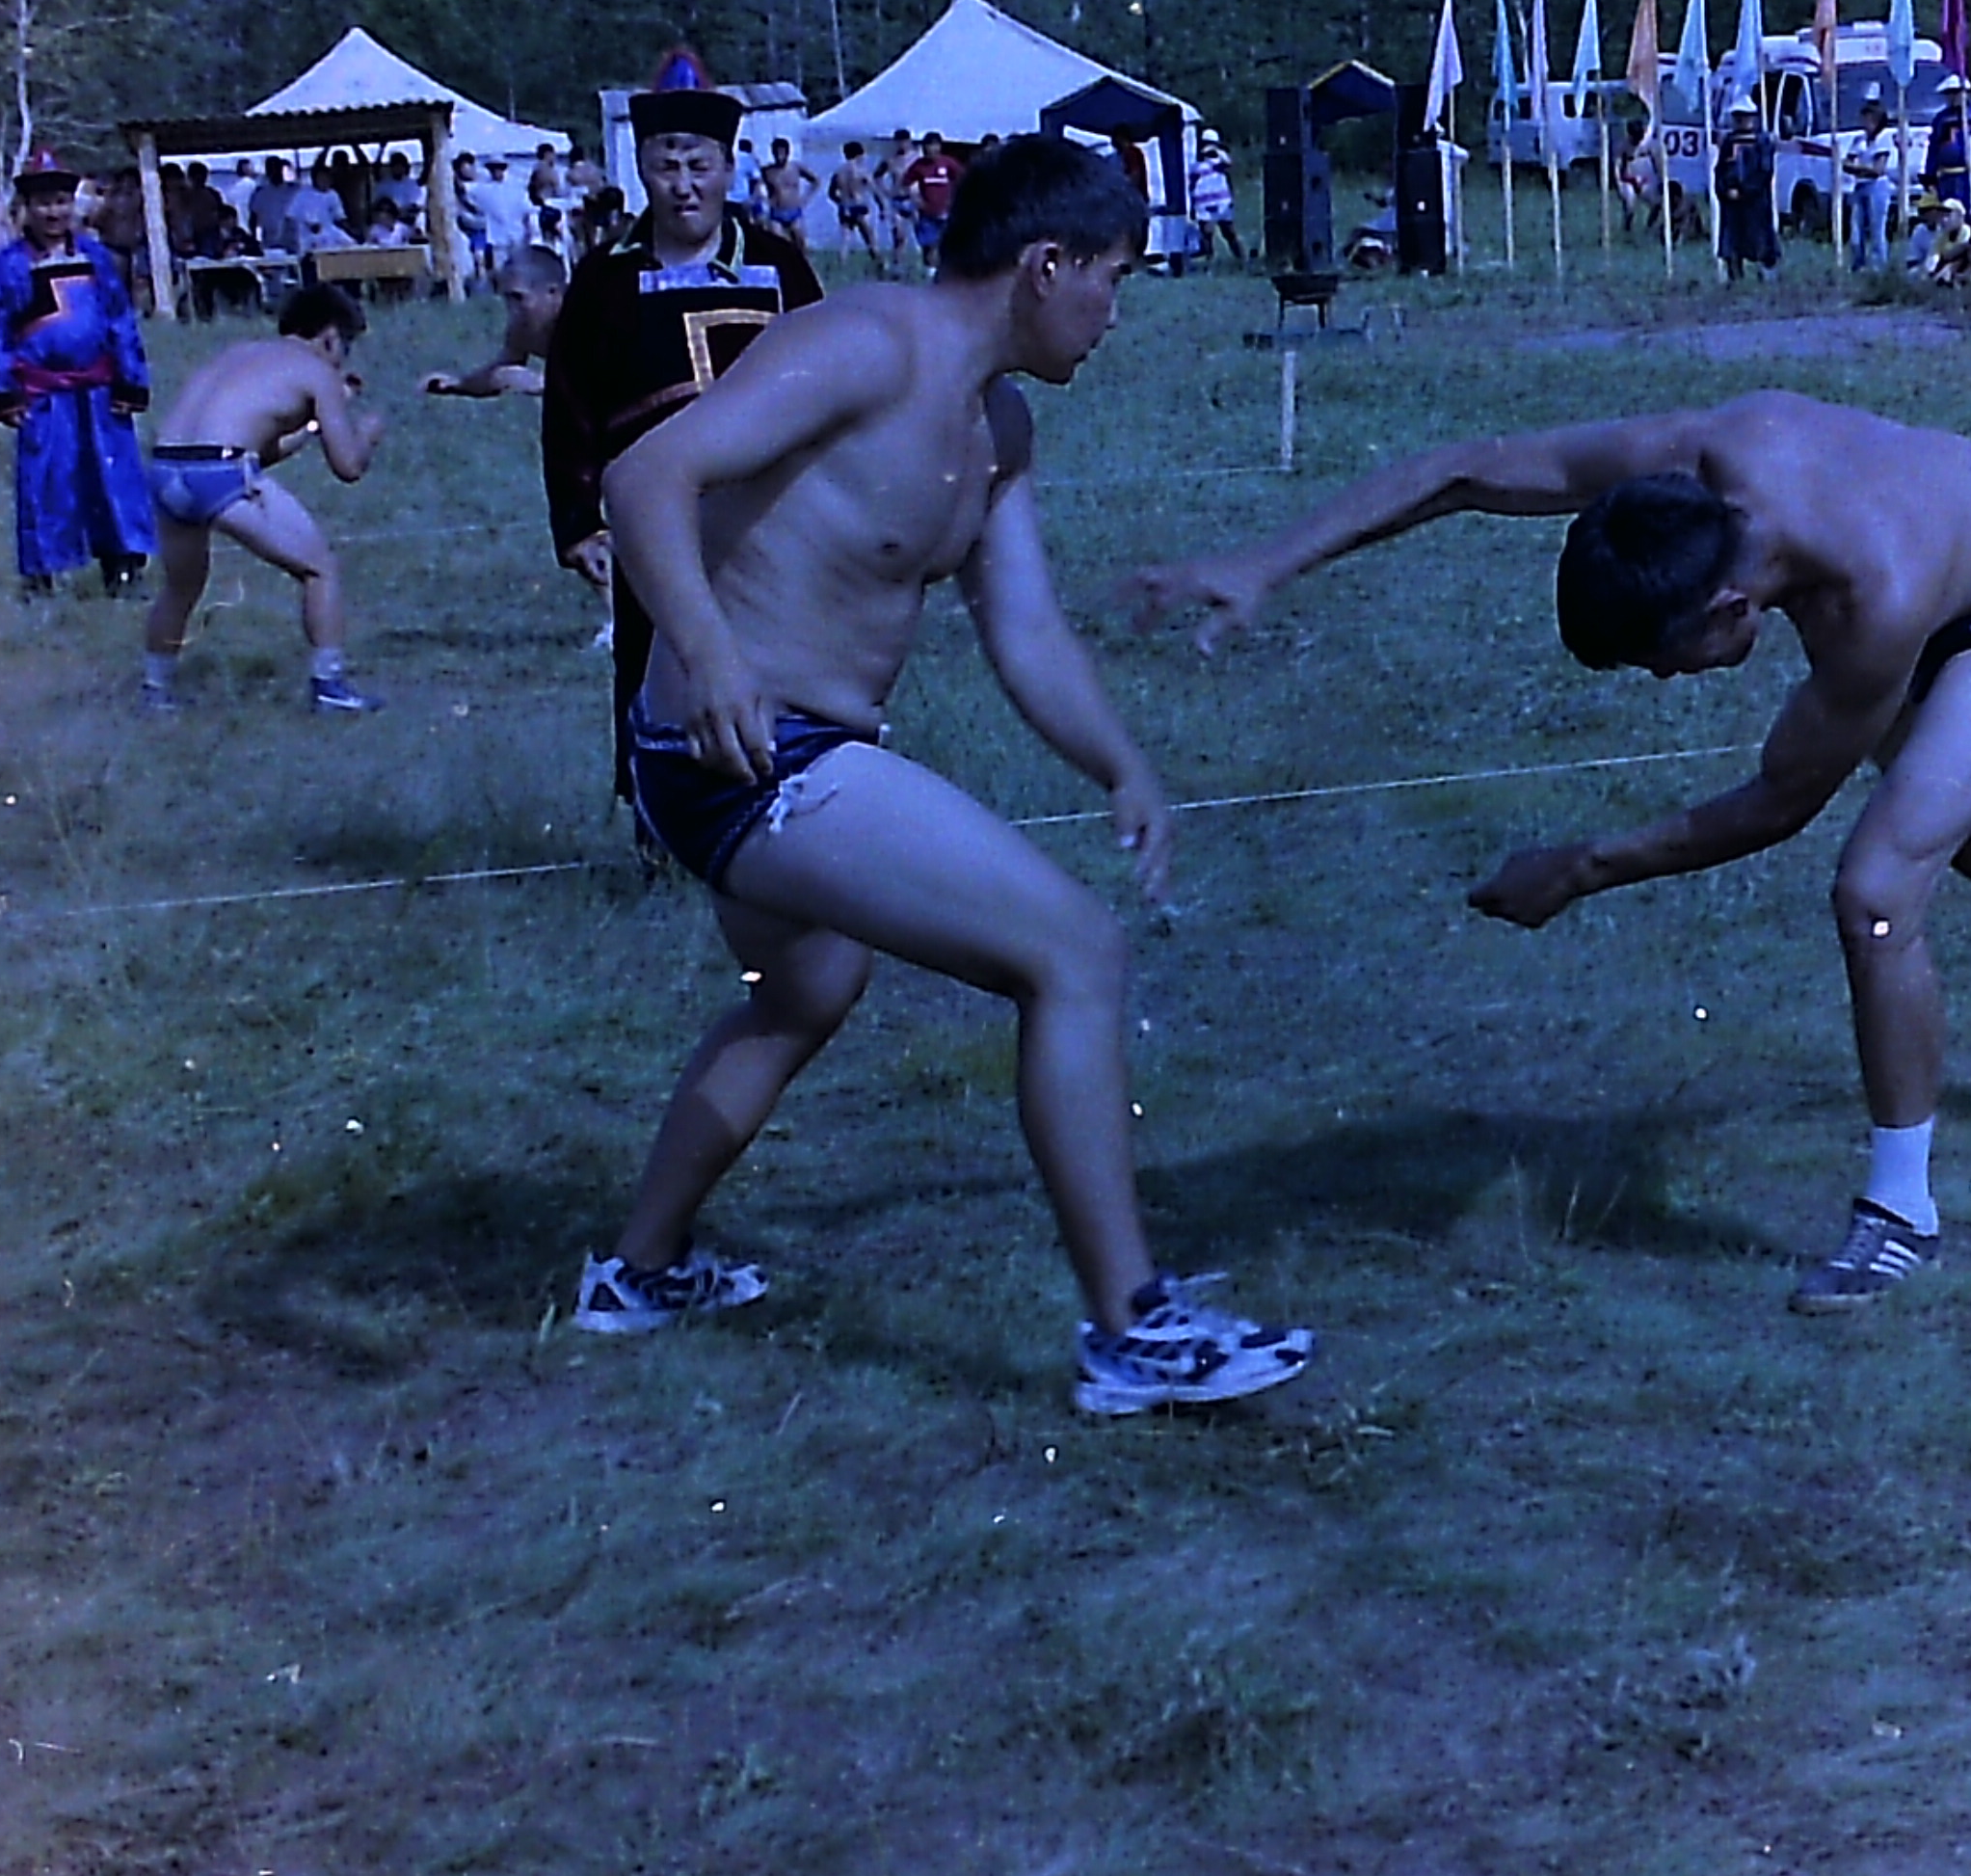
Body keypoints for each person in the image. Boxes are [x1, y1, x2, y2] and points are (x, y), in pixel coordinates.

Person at [581, 135, 1315, 1412]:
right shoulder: (867, 341)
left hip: (787, 753)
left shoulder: (997, 428)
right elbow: (645, 473)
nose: (1115, 312)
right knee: (1074, 951)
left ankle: (637, 1272)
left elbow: (1023, 628)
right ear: (1046, 266)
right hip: (749, 753)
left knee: (804, 992)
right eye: (1113, 278)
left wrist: (1121, 764)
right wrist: (708, 653)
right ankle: (1133, 1329)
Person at [1128, 389, 1971, 1313]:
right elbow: (1466, 470)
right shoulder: (1699, 462)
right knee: (1926, 789)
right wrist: (1266, 563)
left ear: (1728, 610)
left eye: (1661, 661)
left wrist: (1582, 867)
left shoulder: (1871, 599)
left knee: (1877, 893)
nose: (1661, 682)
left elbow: (1777, 805)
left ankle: (1901, 1214)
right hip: (1924, 552)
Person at [540, 84, 826, 819]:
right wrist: (579, 520)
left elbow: (830, 377)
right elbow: (569, 400)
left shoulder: (778, 264)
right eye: (667, 168)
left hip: (771, 512)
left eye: (699, 166)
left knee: (780, 656)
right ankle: (659, 825)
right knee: (655, 665)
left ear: (728, 168)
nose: (684, 185)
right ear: (642, 170)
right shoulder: (604, 277)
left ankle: (787, 813)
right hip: (654, 519)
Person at [140, 284, 385, 715]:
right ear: (330, 337)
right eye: (345, 346)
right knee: (320, 569)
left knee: (181, 587)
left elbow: (258, 449)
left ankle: (155, 691)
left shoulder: (240, 354)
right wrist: (367, 432)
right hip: (220, 473)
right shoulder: (317, 372)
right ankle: (330, 685)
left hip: (167, 470)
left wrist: (311, 426)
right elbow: (348, 467)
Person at [0, 147, 156, 596]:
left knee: (112, 476)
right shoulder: (11, 264)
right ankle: (42, 574)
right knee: (46, 479)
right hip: (42, 393)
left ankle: (123, 565)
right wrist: (2, 390)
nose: (53, 212)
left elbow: (119, 319)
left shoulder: (96, 257)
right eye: (43, 203)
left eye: (61, 201)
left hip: (100, 391)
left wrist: (131, 378)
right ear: (27, 207)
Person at [421, 244, 566, 396]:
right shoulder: (522, 327)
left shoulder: (581, 319)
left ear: (552, 293)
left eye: (518, 297)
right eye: (507, 298)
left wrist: (540, 383)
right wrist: (459, 384)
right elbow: (501, 371)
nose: (512, 308)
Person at [1713, 112, 1780, 281]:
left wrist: (1745, 190)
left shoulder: (1762, 141)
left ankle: (1767, 274)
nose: (1743, 121)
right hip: (1732, 204)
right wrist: (1726, 189)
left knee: (1761, 240)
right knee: (1732, 240)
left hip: (1756, 202)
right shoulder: (1729, 141)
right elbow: (1721, 169)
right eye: (1739, 118)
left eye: (1746, 117)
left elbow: (1765, 171)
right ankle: (1735, 275)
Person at [1841, 94, 1901, 271]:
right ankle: (1857, 264)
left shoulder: (1884, 139)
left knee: (1877, 228)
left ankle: (1879, 267)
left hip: (1878, 187)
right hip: (1859, 186)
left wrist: (1857, 168)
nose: (1865, 122)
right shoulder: (1859, 140)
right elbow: (1846, 163)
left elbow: (1878, 169)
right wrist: (1857, 168)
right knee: (1856, 230)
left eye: (1869, 118)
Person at [902, 132, 962, 262]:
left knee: (946, 245)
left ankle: (945, 268)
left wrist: (955, 201)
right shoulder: (918, 166)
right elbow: (905, 183)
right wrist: (916, 199)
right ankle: (930, 269)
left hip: (947, 212)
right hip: (927, 212)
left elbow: (962, 180)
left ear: (940, 147)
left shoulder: (948, 163)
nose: (931, 149)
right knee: (928, 245)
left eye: (934, 145)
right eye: (927, 146)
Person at [1188, 135, 1245, 268]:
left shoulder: (1220, 160)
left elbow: (1228, 163)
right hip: (1203, 204)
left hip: (1222, 203)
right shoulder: (1195, 163)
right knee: (1207, 234)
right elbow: (1191, 182)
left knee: (1229, 232)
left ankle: (1241, 258)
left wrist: (1216, 151)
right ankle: (1209, 261)